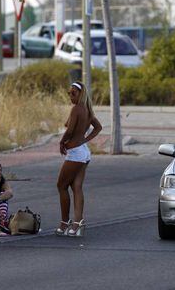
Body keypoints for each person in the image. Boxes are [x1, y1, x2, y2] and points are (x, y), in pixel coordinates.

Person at [55, 81, 102, 237]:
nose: (70, 96)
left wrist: (62, 142)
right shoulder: (87, 110)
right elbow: (98, 127)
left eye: (73, 93)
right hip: (83, 151)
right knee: (76, 187)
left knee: (61, 186)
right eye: (69, 93)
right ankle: (77, 224)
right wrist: (85, 139)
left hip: (75, 152)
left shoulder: (77, 109)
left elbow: (69, 130)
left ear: (80, 94)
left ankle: (64, 222)